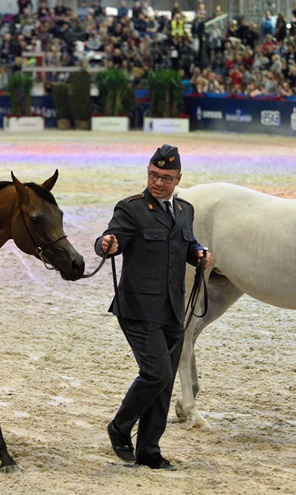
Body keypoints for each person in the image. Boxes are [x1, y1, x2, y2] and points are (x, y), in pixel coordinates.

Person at [95, 144, 213, 470]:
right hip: (138, 307)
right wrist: (107, 244)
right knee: (156, 373)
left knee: (165, 380)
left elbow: (187, 244)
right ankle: (120, 427)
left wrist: (200, 253)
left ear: (178, 179)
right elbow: (110, 237)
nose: (158, 182)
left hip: (174, 308)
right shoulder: (131, 208)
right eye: (153, 175)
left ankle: (149, 451)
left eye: (165, 177)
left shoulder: (185, 210)